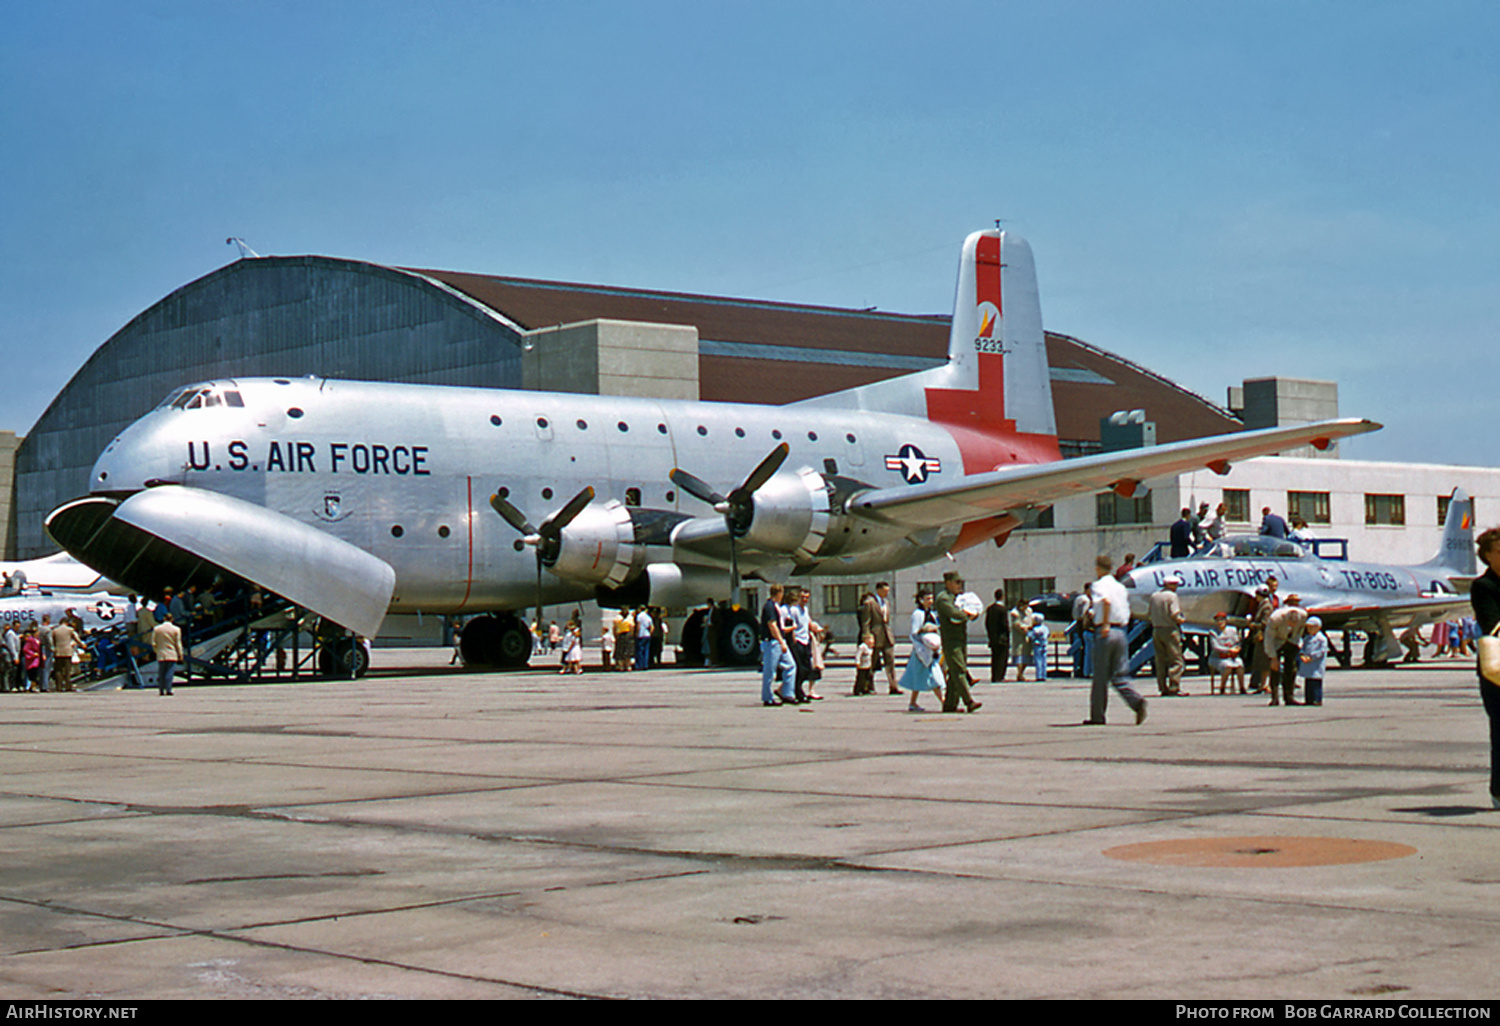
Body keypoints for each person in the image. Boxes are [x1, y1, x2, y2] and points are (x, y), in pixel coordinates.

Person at [1086, 555, 1147, 726]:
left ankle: (1097, 716)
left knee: (1100, 677)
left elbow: (1106, 601)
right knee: (1119, 674)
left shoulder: (1098, 585)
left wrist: (1104, 623)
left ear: (1098, 568)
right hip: (1121, 631)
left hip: (1106, 631)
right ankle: (1136, 701)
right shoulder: (1120, 586)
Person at [1467, 526, 1500, 810]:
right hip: (1497, 670)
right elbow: (1491, 623)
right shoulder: (1483, 586)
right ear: (1487, 556)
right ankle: (1499, 791)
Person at [935, 571, 981, 714]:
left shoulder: (958, 598)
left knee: (955, 672)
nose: (960, 585)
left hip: (960, 638)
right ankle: (969, 702)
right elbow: (954, 613)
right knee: (959, 671)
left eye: (961, 582)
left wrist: (973, 613)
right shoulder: (943, 598)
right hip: (951, 640)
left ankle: (949, 705)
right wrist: (968, 614)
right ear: (948, 583)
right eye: (957, 582)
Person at [900, 589, 945, 712]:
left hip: (931, 650)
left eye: (931, 598)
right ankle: (943, 702)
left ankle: (913, 702)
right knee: (933, 677)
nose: (930, 601)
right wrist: (925, 632)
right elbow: (914, 633)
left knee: (919, 677)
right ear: (921, 600)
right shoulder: (918, 614)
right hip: (922, 652)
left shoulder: (931, 613)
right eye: (927, 599)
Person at [1148, 574, 1187, 696]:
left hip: (1156, 630)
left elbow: (1149, 614)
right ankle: (1174, 687)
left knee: (1160, 660)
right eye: (1175, 584)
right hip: (1170, 630)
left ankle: (1162, 687)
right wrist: (1181, 620)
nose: (1176, 587)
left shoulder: (1154, 596)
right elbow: (1174, 613)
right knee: (1176, 660)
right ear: (1170, 585)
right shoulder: (1172, 596)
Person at [859, 582, 900, 695]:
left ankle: (893, 686)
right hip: (875, 636)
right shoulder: (870, 603)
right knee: (872, 662)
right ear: (878, 590)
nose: (887, 593)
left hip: (887, 636)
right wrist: (867, 636)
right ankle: (868, 686)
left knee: (890, 661)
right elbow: (866, 621)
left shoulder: (886, 603)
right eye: (885, 591)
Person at [1266, 594, 1308, 706]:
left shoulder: (1303, 615)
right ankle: (1274, 697)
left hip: (1292, 640)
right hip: (1277, 640)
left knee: (1291, 668)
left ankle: (1289, 696)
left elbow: (1300, 630)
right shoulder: (1275, 618)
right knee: (1275, 669)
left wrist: (1297, 645)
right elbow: (1269, 638)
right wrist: (1273, 657)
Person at [760, 583, 796, 706]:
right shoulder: (769, 606)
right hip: (772, 642)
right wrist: (781, 641)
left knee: (791, 666)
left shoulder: (776, 606)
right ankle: (767, 697)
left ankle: (787, 693)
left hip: (779, 641)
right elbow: (772, 625)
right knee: (769, 671)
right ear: (779, 593)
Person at [1208, 612, 1244, 695]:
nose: (1220, 622)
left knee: (1240, 664)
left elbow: (1237, 642)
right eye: (1218, 620)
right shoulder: (1213, 632)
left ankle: (1242, 687)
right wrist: (1229, 649)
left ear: (1226, 620)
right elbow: (1215, 647)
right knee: (1227, 666)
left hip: (1231, 656)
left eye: (1222, 620)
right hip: (1217, 657)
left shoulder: (1232, 630)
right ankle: (1222, 687)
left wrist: (1236, 648)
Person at [152, 612, 184, 695]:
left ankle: (161, 690)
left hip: (161, 653)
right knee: (169, 672)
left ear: (164, 619)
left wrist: (157, 650)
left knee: (161, 672)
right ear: (172, 619)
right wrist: (180, 654)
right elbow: (178, 643)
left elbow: (153, 642)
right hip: (172, 653)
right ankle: (168, 689)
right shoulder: (176, 629)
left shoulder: (157, 629)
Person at [1298, 616, 1328, 706]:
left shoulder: (1321, 639)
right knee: (1308, 682)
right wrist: (1302, 655)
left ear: (1318, 627)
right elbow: (1303, 647)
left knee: (1316, 682)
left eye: (1312, 627)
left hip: (1316, 663)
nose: (1309, 629)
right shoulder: (1307, 638)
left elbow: (1322, 651)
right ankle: (1309, 699)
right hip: (1308, 663)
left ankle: (1317, 699)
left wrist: (1312, 657)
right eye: (1308, 627)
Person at [984, 589, 1010, 683]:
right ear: (1002, 596)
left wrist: (990, 635)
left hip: (993, 638)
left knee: (994, 658)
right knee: (1002, 658)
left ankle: (994, 676)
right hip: (1002, 638)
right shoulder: (1002, 609)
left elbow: (987, 623)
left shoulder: (990, 609)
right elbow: (1004, 624)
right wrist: (1007, 633)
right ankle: (1000, 676)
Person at [634, 606, 653, 671]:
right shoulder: (648, 617)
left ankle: (639, 665)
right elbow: (652, 627)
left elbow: (638, 626)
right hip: (647, 635)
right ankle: (645, 665)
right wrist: (650, 633)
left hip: (641, 635)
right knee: (646, 651)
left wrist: (636, 634)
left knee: (639, 651)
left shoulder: (639, 616)